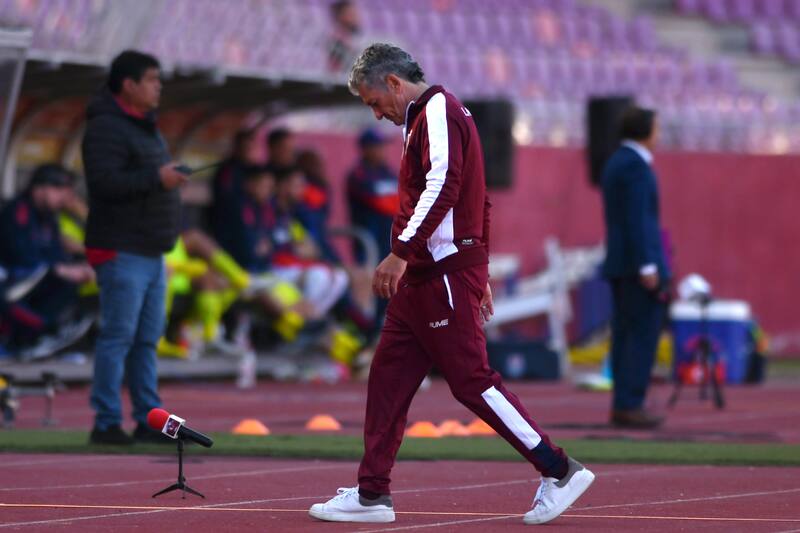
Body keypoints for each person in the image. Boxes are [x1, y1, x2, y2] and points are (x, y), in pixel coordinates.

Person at [309, 43, 594, 526]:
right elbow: (476, 200)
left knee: (471, 381)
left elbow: (446, 185)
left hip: (435, 272)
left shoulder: (437, 110)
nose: (377, 114)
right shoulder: (424, 117)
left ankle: (559, 469)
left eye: (374, 101)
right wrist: (475, 270)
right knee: (387, 382)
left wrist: (401, 253)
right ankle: (372, 493)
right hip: (425, 277)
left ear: (394, 83)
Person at [82, 50, 188, 445]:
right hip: (120, 248)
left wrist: (163, 177)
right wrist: (157, 178)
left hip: (149, 249)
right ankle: (106, 421)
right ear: (129, 85)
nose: (158, 86)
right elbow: (104, 184)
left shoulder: (143, 126)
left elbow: (138, 176)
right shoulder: (106, 127)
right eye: (152, 80)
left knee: (146, 338)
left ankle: (149, 417)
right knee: (119, 336)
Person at [600, 106, 670, 429]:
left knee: (625, 334)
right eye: (656, 128)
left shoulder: (616, 161)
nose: (659, 135)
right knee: (641, 335)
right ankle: (630, 402)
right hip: (635, 265)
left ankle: (623, 401)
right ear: (645, 130)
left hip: (619, 262)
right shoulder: (636, 167)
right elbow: (638, 219)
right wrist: (647, 265)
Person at [0, 164, 95, 355]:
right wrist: (59, 269)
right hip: (11, 280)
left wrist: (76, 267)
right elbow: (20, 256)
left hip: (35, 278)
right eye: (59, 190)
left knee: (72, 282)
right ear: (40, 188)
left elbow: (55, 251)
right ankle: (33, 337)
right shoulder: (17, 212)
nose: (64, 198)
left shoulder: (48, 217)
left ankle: (42, 338)